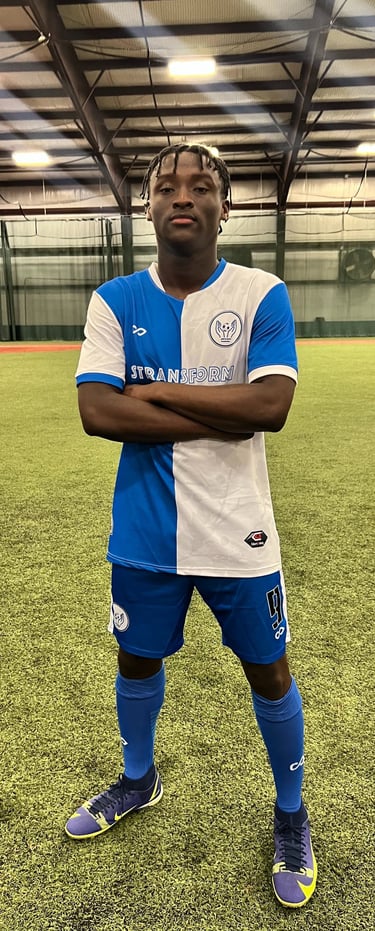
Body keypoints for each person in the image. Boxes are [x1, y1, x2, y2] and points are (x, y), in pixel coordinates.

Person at [66, 143, 317, 909]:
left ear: (223, 207)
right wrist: (218, 410)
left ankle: (290, 814)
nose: (183, 194)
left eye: (201, 185)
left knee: (267, 669)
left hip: (241, 531)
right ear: (145, 206)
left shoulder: (260, 292)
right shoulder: (114, 300)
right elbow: (96, 411)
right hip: (145, 533)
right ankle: (138, 779)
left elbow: (267, 408)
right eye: (166, 186)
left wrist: (156, 394)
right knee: (135, 659)